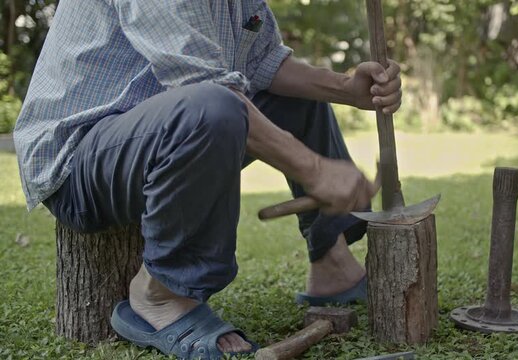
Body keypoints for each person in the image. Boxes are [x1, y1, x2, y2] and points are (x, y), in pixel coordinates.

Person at [14, 0, 402, 358]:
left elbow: (263, 63)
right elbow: (203, 85)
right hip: (77, 159)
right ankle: (160, 295)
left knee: (297, 95)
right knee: (213, 106)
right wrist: (315, 170)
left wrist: (346, 88)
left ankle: (332, 262)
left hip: (152, 134)